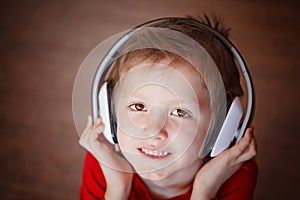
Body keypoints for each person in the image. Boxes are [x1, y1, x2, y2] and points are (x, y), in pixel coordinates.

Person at [79, 16, 258, 200]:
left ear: (221, 128)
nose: (154, 130)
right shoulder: (104, 162)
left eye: (180, 112)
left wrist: (204, 191)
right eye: (139, 107)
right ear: (111, 115)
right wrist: (117, 190)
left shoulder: (233, 174)